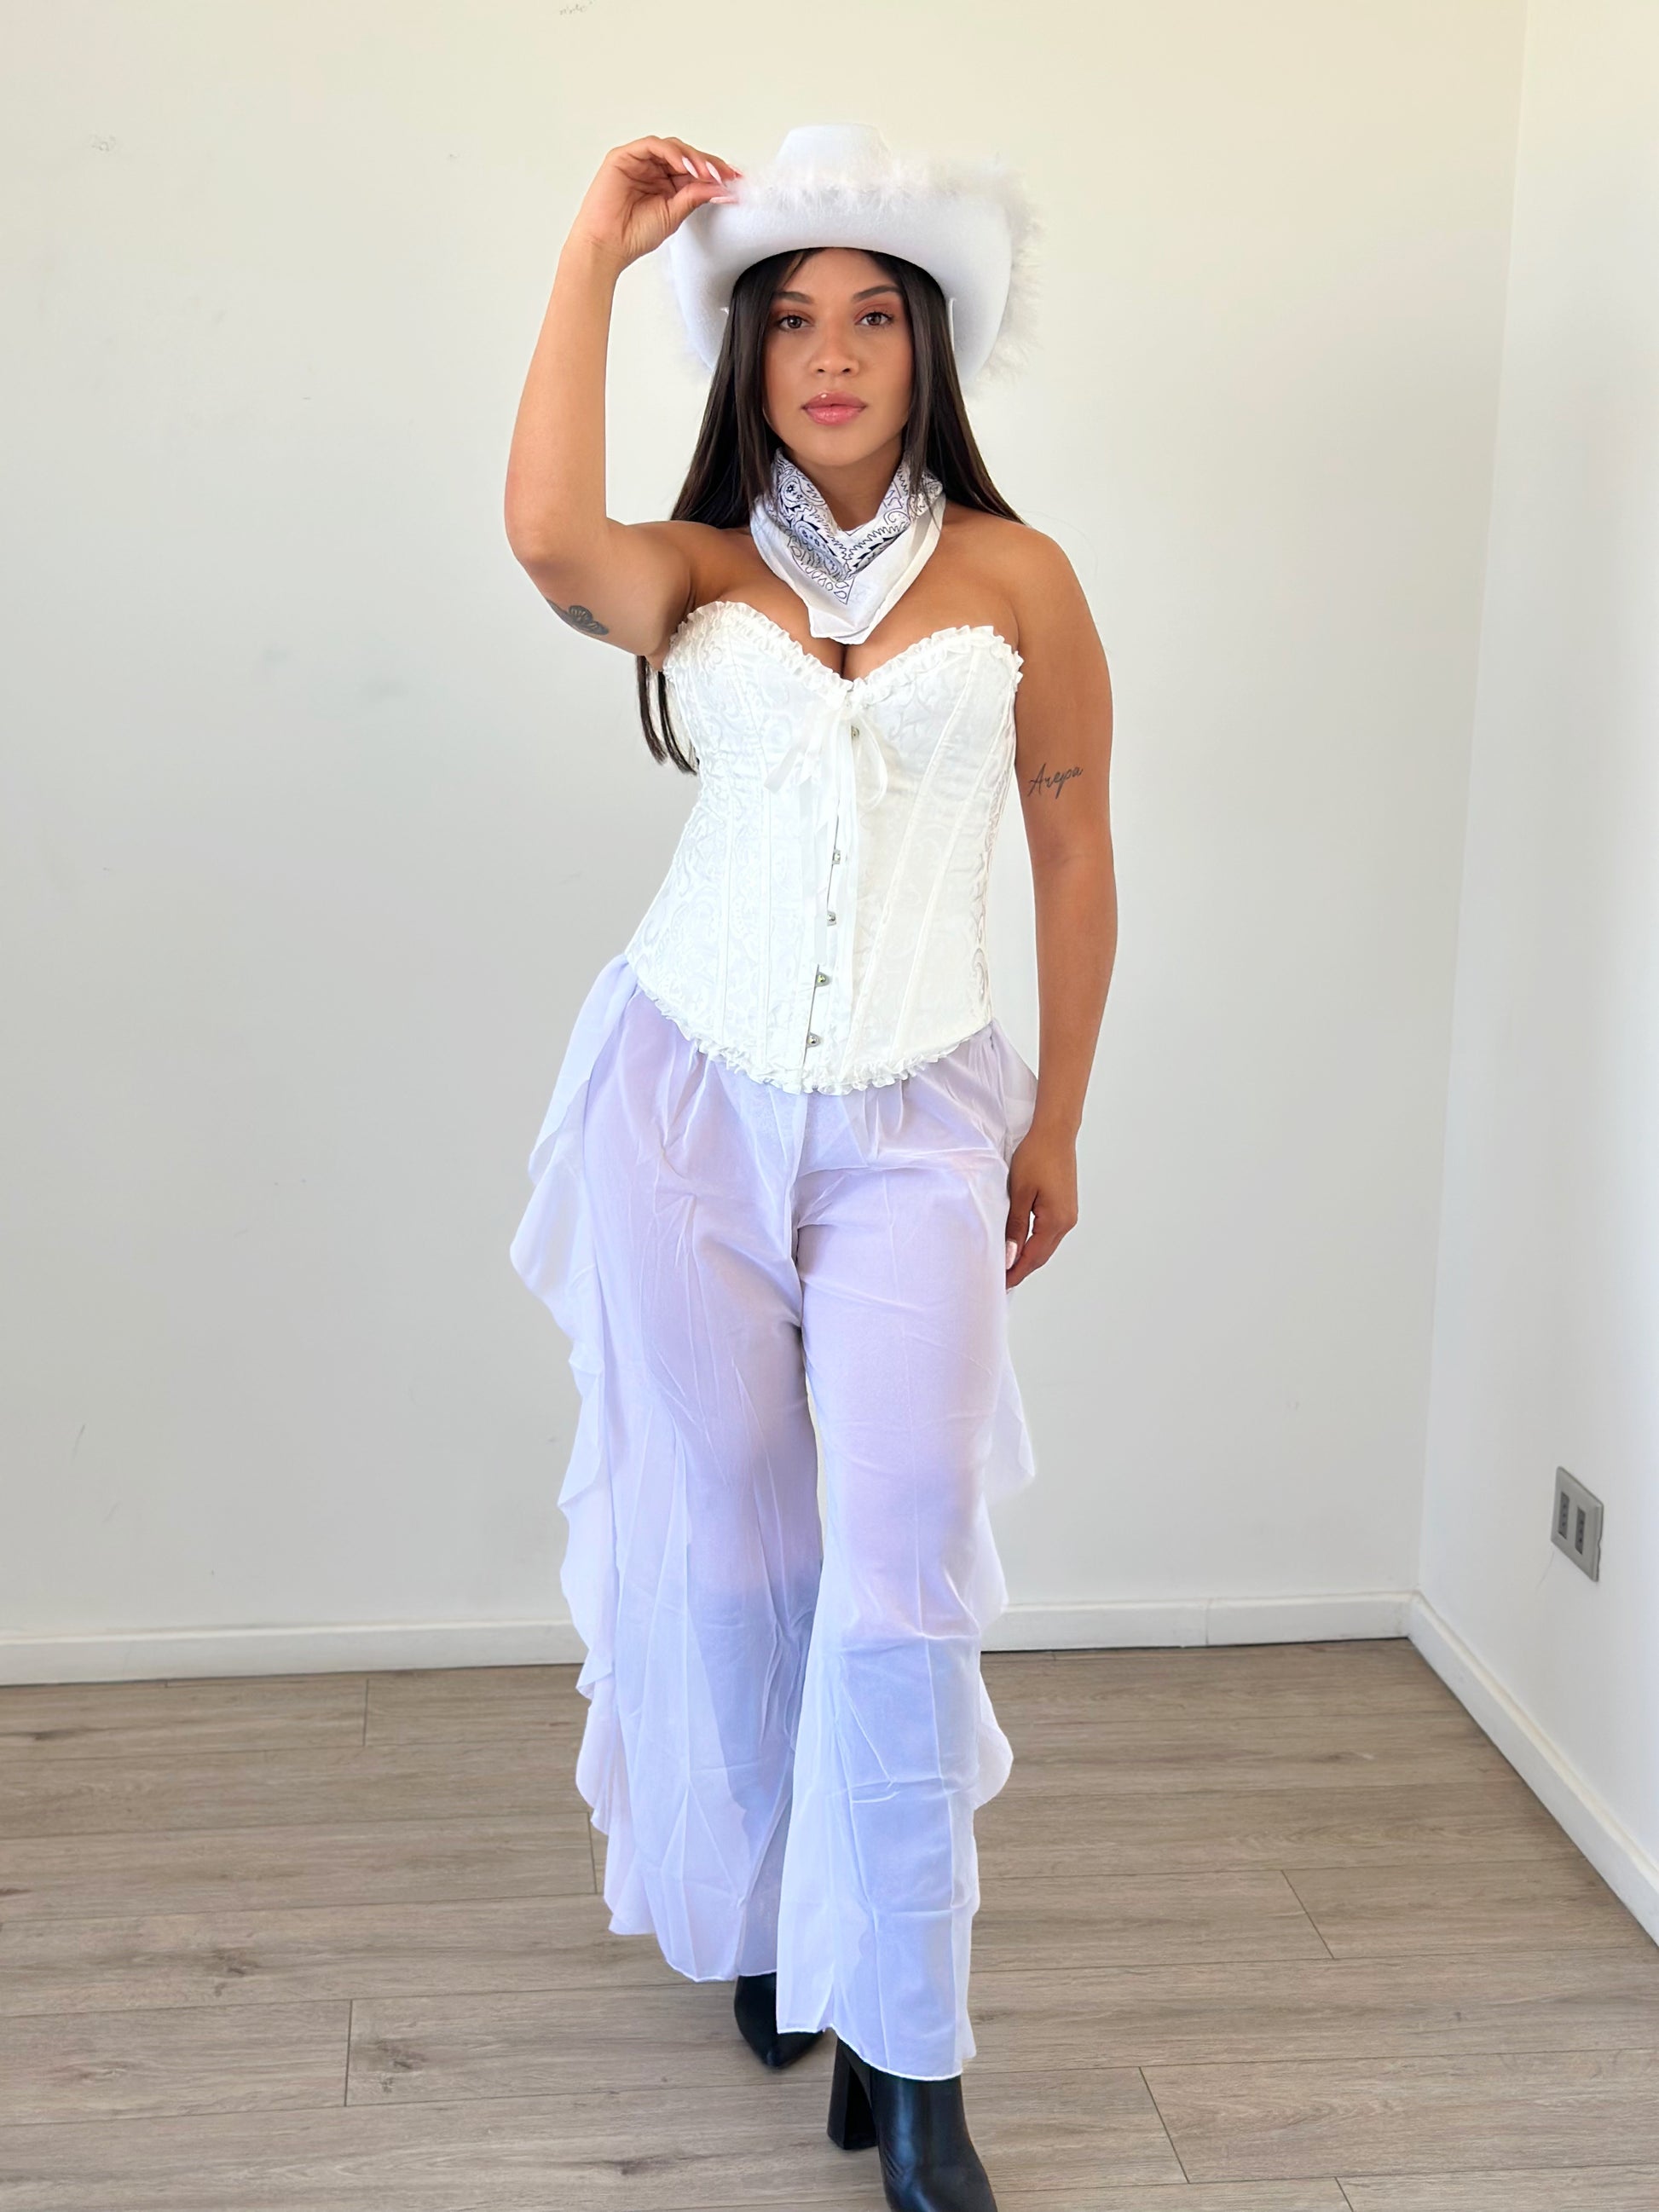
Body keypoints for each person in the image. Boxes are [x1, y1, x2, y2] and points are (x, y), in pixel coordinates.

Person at [504, 124, 1115, 2212]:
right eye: (788, 321)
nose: (832, 354)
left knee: (905, 1550)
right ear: (747, 358)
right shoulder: (698, 571)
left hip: (917, 1116)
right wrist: (594, 252)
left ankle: (912, 2048)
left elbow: (1071, 848)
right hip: (682, 1097)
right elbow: (542, 535)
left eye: (870, 316)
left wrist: (1057, 1114)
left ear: (927, 346)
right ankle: (773, 1917)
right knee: (740, 1539)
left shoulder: (1020, 577)